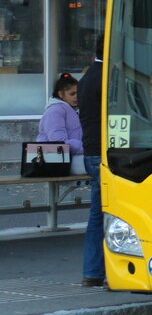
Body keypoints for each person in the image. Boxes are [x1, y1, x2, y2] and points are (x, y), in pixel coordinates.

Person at [77, 32, 105, 287]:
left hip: (90, 151)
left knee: (97, 213)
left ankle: (93, 271)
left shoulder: (86, 78)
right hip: (106, 153)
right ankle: (99, 270)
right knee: (109, 213)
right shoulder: (107, 78)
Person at [36, 73, 83, 160]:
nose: (76, 97)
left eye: (78, 93)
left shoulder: (72, 109)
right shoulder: (55, 111)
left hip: (69, 156)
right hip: (59, 159)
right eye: (72, 94)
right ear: (61, 94)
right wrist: (85, 147)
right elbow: (58, 141)